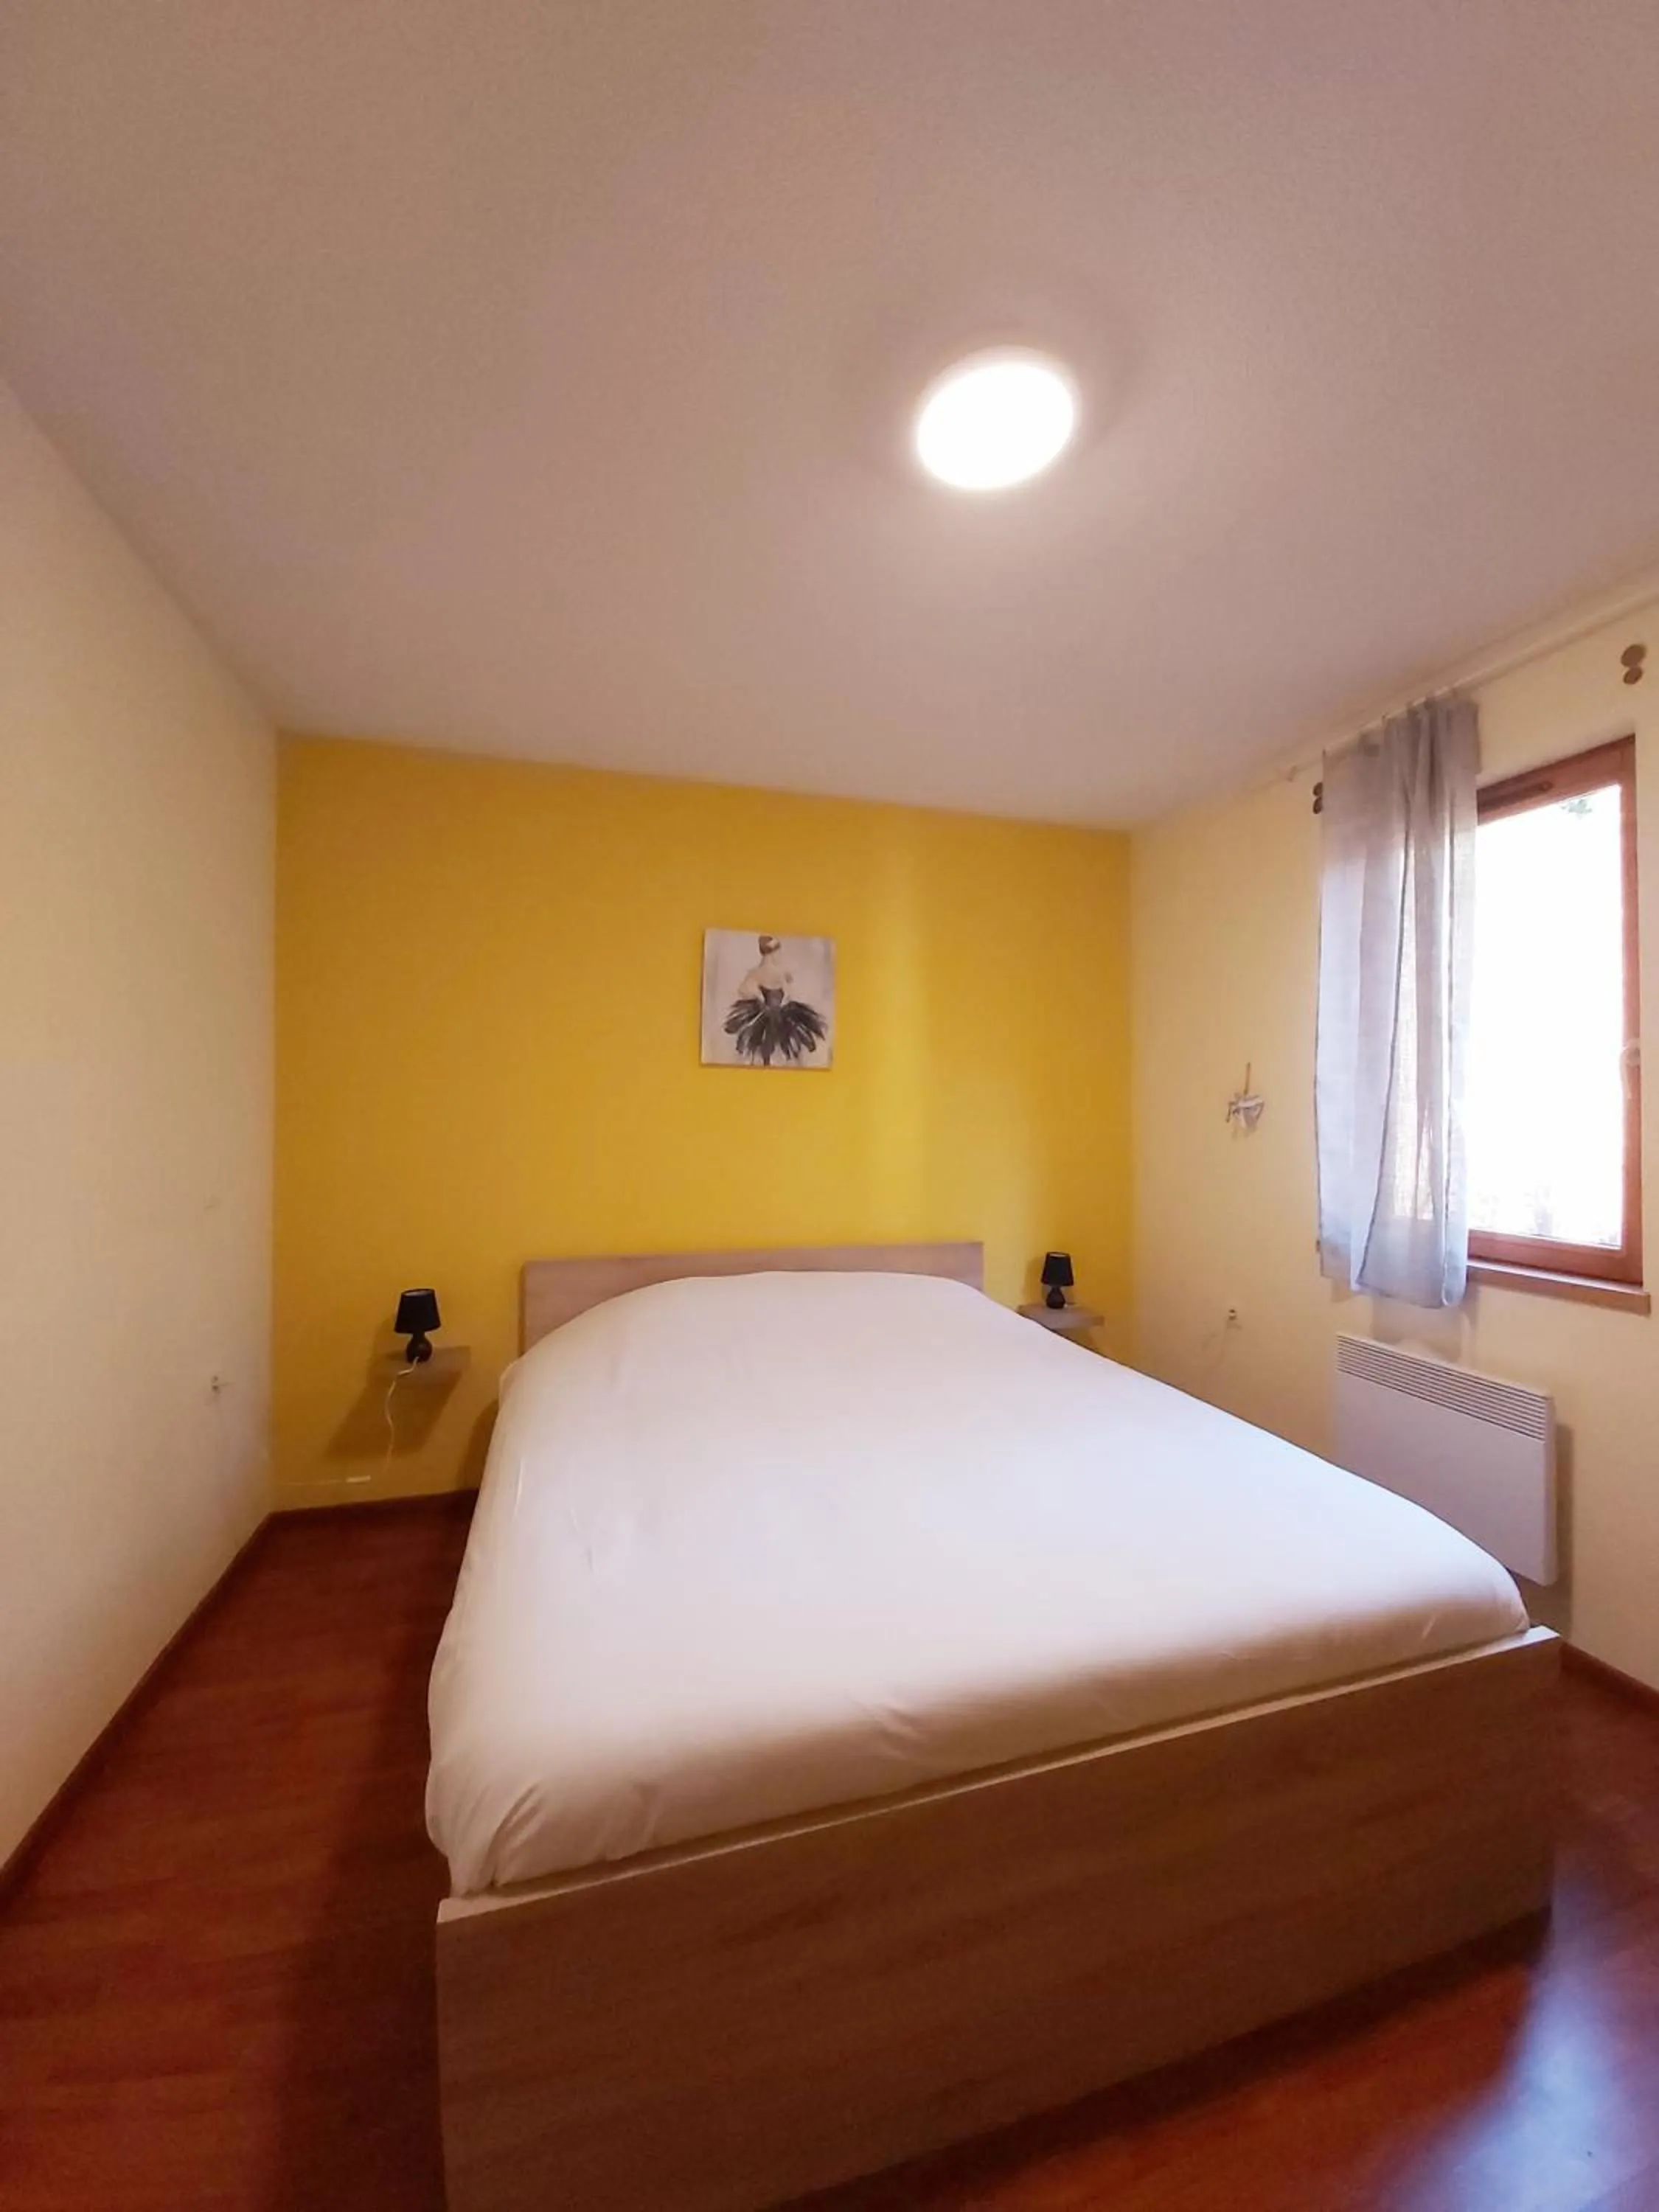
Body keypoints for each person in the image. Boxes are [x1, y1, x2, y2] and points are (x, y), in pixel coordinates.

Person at [725, 935, 827, 1065]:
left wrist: (758, 996)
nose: (779, 955)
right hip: (777, 1013)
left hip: (766, 1012)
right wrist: (779, 998)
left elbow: (743, 990)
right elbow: (789, 992)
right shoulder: (779, 972)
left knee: (770, 1046)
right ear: (773, 953)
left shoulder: (756, 972)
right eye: (777, 951)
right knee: (778, 1045)